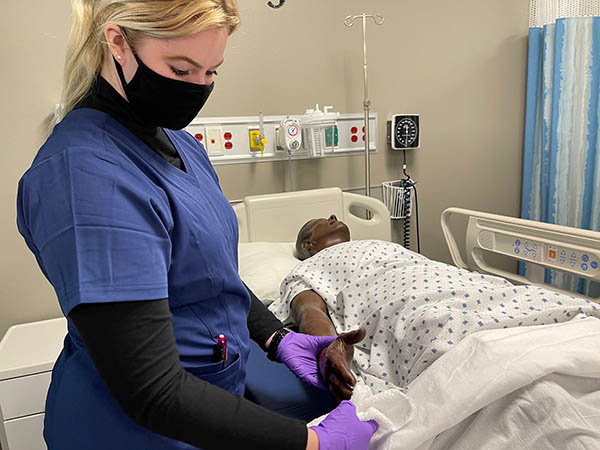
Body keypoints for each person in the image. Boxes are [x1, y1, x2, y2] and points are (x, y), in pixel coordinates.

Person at [15, 2, 377, 449]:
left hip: (209, 402)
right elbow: (153, 391)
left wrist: (276, 337)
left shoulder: (181, 145)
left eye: (211, 72)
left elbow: (211, 277)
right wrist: (314, 444)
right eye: (182, 69)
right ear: (117, 43)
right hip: (133, 432)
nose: (198, 88)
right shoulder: (85, 176)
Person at [269, 214, 600, 395]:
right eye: (321, 221)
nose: (333, 215)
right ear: (309, 244)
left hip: (453, 284)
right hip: (399, 300)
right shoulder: (306, 269)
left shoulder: (386, 245)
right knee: (443, 329)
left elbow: (431, 270)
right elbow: (309, 310)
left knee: (532, 304)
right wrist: (329, 345)